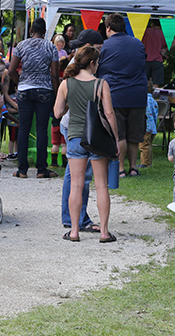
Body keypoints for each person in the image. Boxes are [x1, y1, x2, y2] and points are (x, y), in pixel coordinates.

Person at [54, 45, 118, 243]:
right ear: (92, 63)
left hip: (75, 137)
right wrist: (115, 139)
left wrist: (70, 106)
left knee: (76, 185)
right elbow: (109, 114)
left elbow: (57, 113)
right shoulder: (101, 84)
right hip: (97, 139)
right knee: (101, 186)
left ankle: (74, 231)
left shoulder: (66, 84)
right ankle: (104, 232)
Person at [60, 29, 105, 232]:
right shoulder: (86, 71)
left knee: (75, 176)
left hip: (73, 127)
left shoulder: (73, 68)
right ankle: (76, 219)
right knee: (81, 179)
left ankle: (74, 221)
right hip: (82, 128)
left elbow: (58, 108)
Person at [8, 18, 59, 178]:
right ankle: (41, 169)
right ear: (45, 32)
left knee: (23, 128)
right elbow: (55, 74)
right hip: (44, 90)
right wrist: (56, 94)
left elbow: (10, 71)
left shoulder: (21, 45)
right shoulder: (51, 47)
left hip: (25, 90)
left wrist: (19, 83)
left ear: (31, 31)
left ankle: (22, 169)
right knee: (42, 129)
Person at [97, 13, 147, 178]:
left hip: (116, 94)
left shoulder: (105, 46)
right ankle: (133, 168)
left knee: (120, 134)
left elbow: (99, 70)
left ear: (109, 28)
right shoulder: (138, 43)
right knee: (134, 135)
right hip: (138, 95)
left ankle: (120, 169)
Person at [138, 78, 158, 169]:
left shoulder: (143, 99)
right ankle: (149, 162)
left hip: (145, 126)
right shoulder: (153, 101)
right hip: (152, 127)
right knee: (148, 145)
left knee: (143, 145)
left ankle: (145, 163)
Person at [141, 19, 167, 87]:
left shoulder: (145, 32)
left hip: (145, 60)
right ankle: (154, 97)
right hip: (157, 60)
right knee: (156, 83)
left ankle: (144, 96)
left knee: (144, 82)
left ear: (152, 24)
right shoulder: (162, 33)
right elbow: (174, 42)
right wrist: (165, 49)